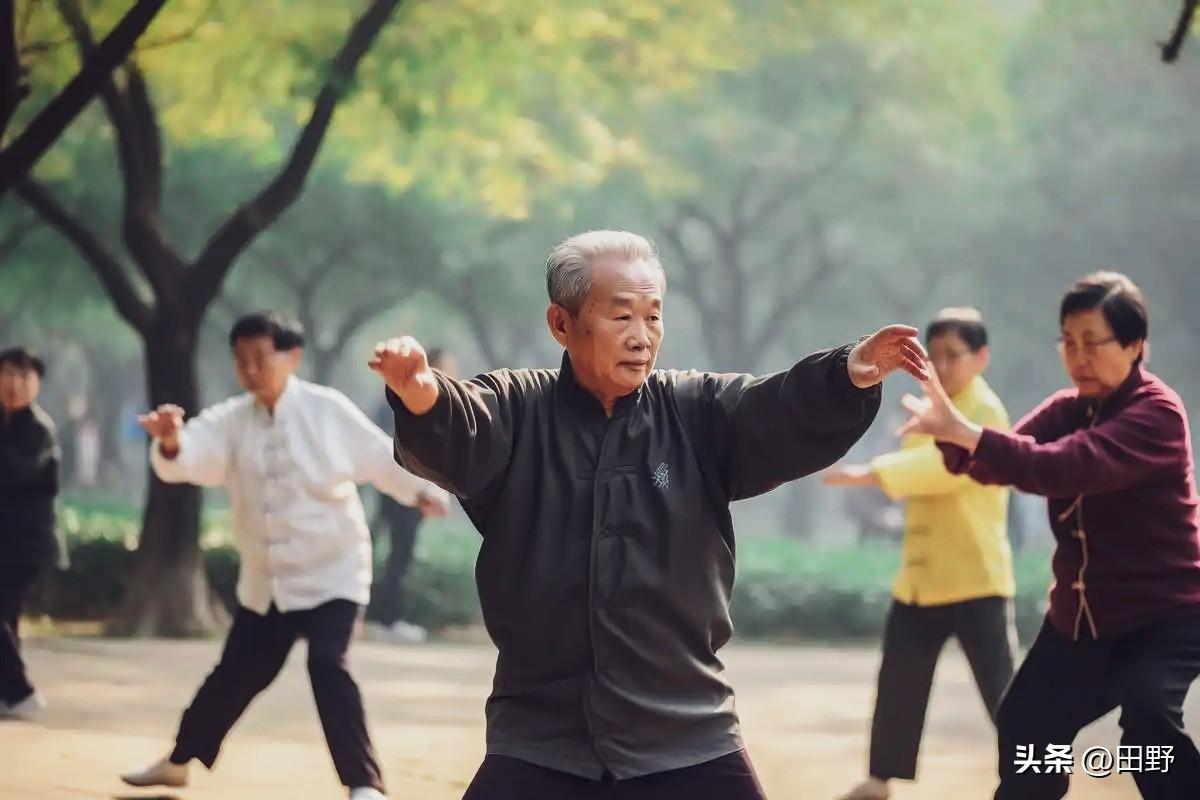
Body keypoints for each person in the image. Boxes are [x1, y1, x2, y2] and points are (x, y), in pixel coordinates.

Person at [370, 230, 929, 799]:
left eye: (653, 317)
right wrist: (419, 392)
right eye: (621, 317)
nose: (642, 338)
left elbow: (776, 408)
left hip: (683, 725)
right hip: (542, 732)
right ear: (561, 324)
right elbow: (462, 429)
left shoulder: (697, 411)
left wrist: (850, 371)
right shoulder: (520, 409)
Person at [120, 312, 451, 800]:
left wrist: (422, 491)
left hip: (334, 572)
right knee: (233, 676)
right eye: (241, 361)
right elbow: (191, 454)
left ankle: (364, 785)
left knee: (327, 665)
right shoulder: (231, 420)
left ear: (290, 356)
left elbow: (380, 457)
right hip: (268, 582)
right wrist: (171, 441)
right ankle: (178, 761)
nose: (250, 370)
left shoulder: (326, 410)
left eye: (260, 358)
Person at [901, 272, 1200, 799]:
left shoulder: (1157, 413)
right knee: (1025, 726)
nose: (1077, 356)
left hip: (1163, 616)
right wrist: (955, 436)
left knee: (1150, 717)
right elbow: (1006, 458)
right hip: (1081, 621)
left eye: (1092, 342)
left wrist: (965, 433)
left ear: (1134, 346)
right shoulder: (1069, 408)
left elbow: (1066, 466)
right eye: (1068, 341)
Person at [824, 308, 1016, 800]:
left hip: (975, 577)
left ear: (981, 358)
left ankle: (1032, 772)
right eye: (936, 354)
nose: (944, 365)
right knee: (899, 683)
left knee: (1004, 692)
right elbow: (921, 460)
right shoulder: (933, 407)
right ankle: (880, 778)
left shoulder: (986, 411)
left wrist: (868, 473)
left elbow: (942, 468)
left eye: (955, 355)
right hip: (921, 577)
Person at [365, 348, 458, 644]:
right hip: (406, 489)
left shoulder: (417, 401)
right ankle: (388, 620)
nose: (451, 375)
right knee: (398, 555)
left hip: (406, 489)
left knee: (396, 554)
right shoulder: (408, 400)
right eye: (446, 368)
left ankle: (385, 618)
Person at [0, 346, 59, 720]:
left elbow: (11, 474)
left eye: (24, 377)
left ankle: (21, 692)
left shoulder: (38, 430)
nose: (15, 384)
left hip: (25, 543)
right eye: (7, 374)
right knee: (7, 619)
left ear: (37, 384)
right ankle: (8, 695)